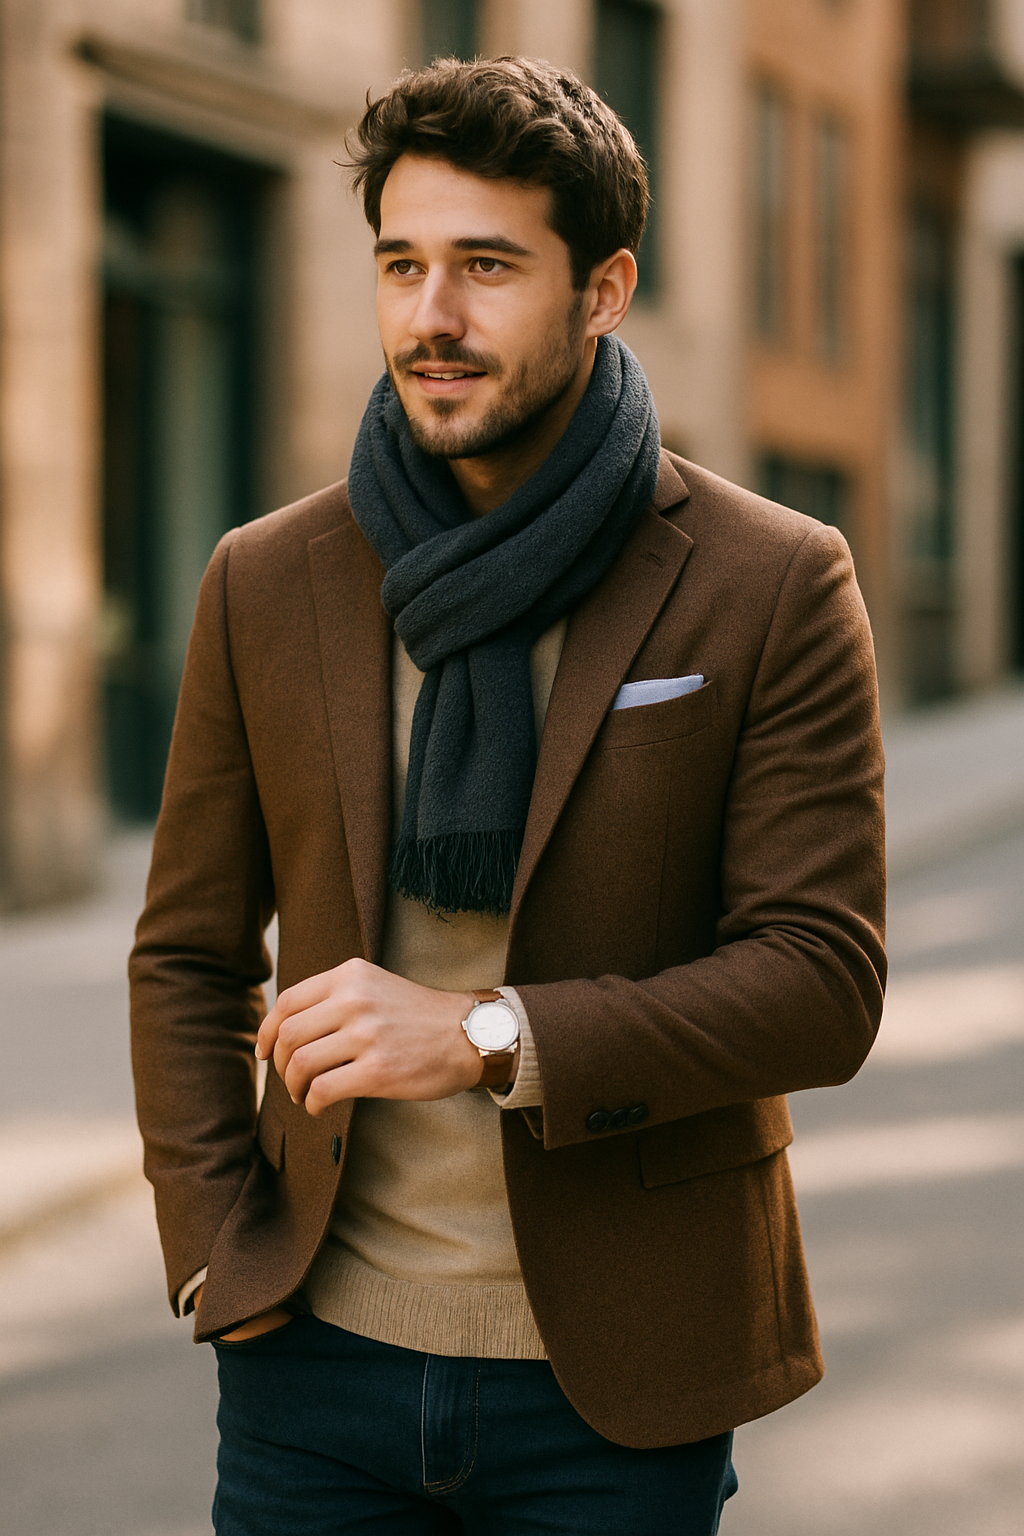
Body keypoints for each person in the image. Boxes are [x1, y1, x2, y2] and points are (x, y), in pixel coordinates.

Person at [130, 55, 886, 1536]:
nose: (432, 318)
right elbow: (185, 955)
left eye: (486, 267)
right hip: (312, 1372)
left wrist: (487, 1036)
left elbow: (820, 983)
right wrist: (215, 1248)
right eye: (401, 265)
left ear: (603, 288)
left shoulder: (770, 581)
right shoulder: (267, 580)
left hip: (617, 1380)